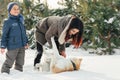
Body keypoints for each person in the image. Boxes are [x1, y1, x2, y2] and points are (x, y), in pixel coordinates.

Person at [0, 2, 28, 74]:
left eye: (18, 9)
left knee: (21, 61)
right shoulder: (8, 22)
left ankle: (18, 73)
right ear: (9, 10)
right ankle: (4, 72)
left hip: (21, 45)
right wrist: (3, 46)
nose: (16, 10)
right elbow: (4, 35)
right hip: (13, 46)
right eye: (14, 9)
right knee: (10, 60)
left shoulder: (21, 21)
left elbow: (24, 33)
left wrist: (26, 42)